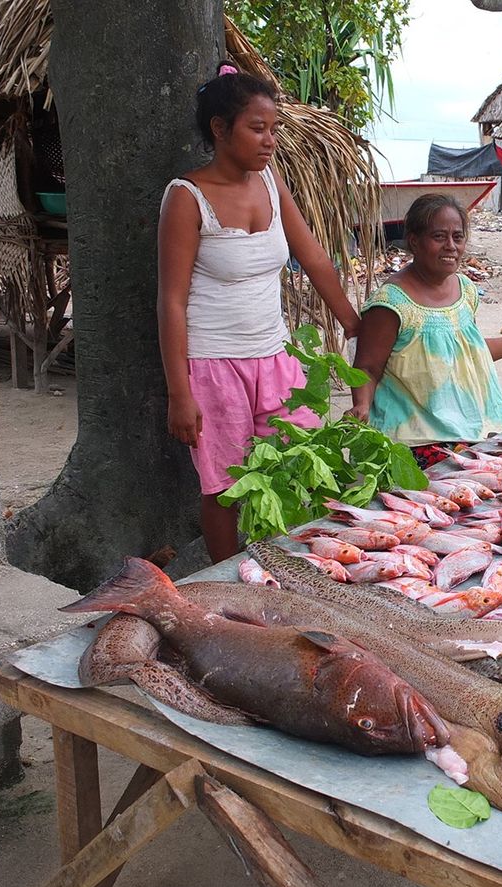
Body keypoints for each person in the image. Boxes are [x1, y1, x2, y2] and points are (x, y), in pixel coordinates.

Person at [157, 62, 360, 562]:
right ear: (220, 129)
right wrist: (179, 394)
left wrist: (354, 324)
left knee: (303, 461)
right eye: (257, 128)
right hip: (212, 368)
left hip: (274, 358)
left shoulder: (270, 183)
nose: (270, 140)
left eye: (274, 129)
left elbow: (313, 256)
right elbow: (171, 300)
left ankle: (294, 567)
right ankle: (226, 577)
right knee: (223, 487)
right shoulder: (186, 197)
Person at [350, 193, 502, 467]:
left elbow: (470, 354)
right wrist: (361, 405)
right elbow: (367, 368)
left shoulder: (465, 289)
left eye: (458, 237)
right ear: (414, 242)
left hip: (474, 430)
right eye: (439, 237)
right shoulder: (391, 304)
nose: (451, 246)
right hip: (417, 438)